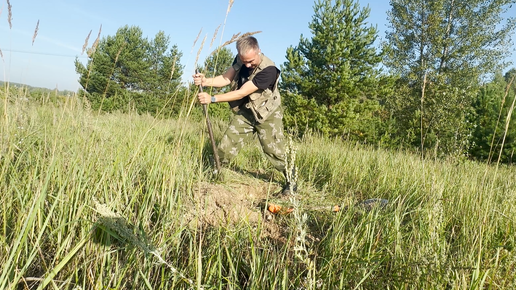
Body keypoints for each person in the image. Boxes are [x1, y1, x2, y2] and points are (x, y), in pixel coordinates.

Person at [193, 36, 296, 196]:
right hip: (247, 109)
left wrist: (212, 99)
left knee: (274, 150)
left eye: (251, 61)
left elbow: (241, 92)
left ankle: (291, 180)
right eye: (244, 61)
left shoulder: (269, 70)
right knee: (227, 144)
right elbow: (226, 78)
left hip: (267, 113)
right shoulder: (241, 59)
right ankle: (214, 174)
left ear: (258, 51)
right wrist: (205, 82)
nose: (247, 65)